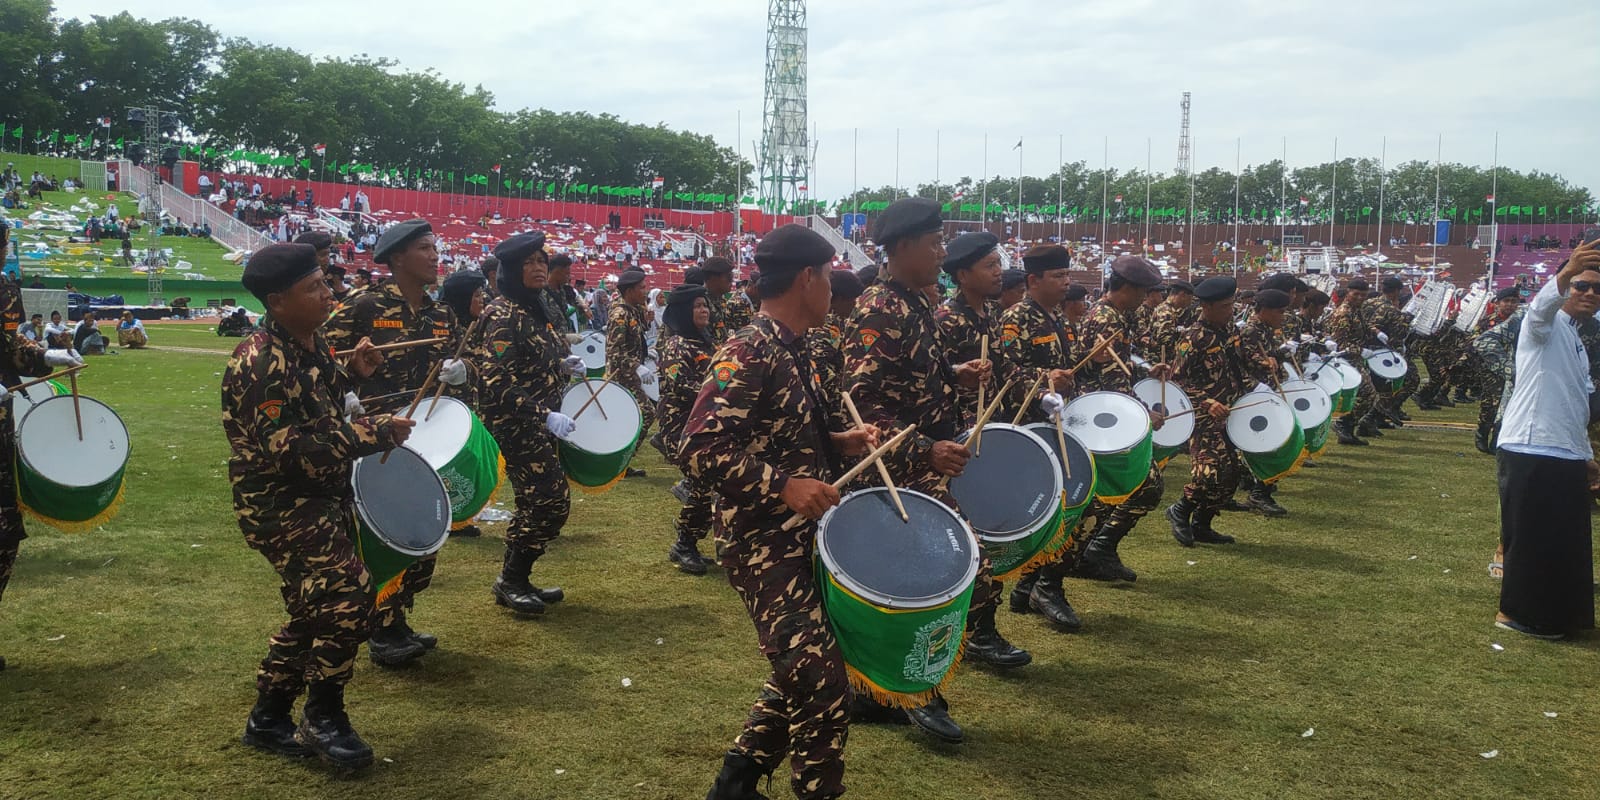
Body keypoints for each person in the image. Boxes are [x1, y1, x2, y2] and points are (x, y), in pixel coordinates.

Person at [683, 223, 879, 800]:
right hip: (760, 541)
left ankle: (736, 782)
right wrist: (784, 484)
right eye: (827, 278)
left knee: (805, 665)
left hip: (805, 539)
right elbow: (698, 448)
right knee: (821, 684)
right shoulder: (748, 349)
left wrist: (838, 442)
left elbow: (779, 431)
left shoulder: (798, 348)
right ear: (806, 278)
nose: (833, 289)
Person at [222, 243, 412, 769]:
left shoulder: (312, 342)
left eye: (326, 282)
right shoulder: (260, 361)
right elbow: (288, 448)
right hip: (279, 504)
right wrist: (370, 432)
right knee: (348, 595)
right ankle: (323, 714)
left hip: (323, 497)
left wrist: (356, 377)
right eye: (315, 288)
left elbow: (319, 404)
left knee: (315, 608)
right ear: (279, 300)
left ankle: (268, 717)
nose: (328, 293)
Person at [842, 198, 999, 743]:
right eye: (933, 243)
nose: (940, 253)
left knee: (903, 581)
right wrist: (925, 452)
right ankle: (920, 692)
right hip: (895, 473)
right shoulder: (879, 308)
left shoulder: (913, 303)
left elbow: (904, 380)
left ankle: (871, 692)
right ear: (902, 247)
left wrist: (953, 375)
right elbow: (860, 405)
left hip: (921, 467)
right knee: (953, 574)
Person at [322, 219, 467, 667]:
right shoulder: (362, 307)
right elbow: (318, 358)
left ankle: (397, 617)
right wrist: (343, 392)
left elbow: (464, 358)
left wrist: (463, 372)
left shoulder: (441, 313)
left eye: (435, 248)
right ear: (398, 258)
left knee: (423, 528)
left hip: (426, 429)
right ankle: (380, 629)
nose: (435, 256)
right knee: (387, 528)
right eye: (425, 248)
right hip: (375, 435)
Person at [471, 233, 582, 617]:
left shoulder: (535, 309)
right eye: (530, 263)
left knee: (538, 501)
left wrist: (562, 365)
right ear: (512, 271)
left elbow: (536, 358)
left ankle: (517, 577)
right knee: (551, 500)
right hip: (516, 425)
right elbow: (496, 381)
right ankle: (512, 578)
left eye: (542, 261)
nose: (539, 268)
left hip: (539, 425)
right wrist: (544, 415)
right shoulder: (503, 314)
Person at [1494, 241, 1600, 640]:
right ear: (1566, 287)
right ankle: (1517, 614)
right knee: (1533, 540)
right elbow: (1539, 309)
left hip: (1565, 451)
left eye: (1596, 289)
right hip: (1531, 447)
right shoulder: (1543, 326)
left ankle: (1560, 616)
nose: (1589, 293)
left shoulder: (1575, 340)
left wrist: (1586, 455)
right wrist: (1569, 268)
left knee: (1565, 540)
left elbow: (1575, 404)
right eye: (1580, 286)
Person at [0, 227, 81, 673]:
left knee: (4, 529)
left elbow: (11, 345)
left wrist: (46, 356)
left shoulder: (4, 289)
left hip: (1, 420)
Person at [1068, 255, 1171, 582]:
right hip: (1102, 418)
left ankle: (1093, 551)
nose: (1145, 298)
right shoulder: (1108, 319)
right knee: (1141, 485)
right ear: (1125, 287)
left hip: (1102, 413)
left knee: (1131, 488)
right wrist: (1146, 413)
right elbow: (1112, 383)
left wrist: (1143, 368)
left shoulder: (1108, 314)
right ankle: (1084, 554)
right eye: (1142, 291)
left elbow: (1115, 363)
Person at [998, 244, 1083, 629]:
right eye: (1058, 276)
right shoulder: (1017, 318)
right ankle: (1043, 585)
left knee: (1065, 507)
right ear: (1033, 280)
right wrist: (1045, 384)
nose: (1067, 282)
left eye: (1067, 275)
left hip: (1059, 424)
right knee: (1057, 506)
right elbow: (1009, 375)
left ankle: (1033, 584)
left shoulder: (1058, 319)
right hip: (1031, 427)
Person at [1166, 277, 1275, 547]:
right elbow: (1177, 380)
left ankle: (1203, 524)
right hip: (1205, 416)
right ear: (1207, 306)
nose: (1231, 310)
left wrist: (1265, 362)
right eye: (1226, 306)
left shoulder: (1230, 331)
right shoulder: (1193, 338)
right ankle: (1180, 510)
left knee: (1231, 475)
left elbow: (1243, 362)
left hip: (1233, 411)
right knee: (1209, 473)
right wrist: (1206, 401)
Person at [655, 284, 718, 575]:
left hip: (706, 427)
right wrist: (719, 397)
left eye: (705, 305)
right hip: (681, 430)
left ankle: (688, 543)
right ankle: (684, 544)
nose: (703, 310)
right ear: (682, 311)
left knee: (710, 486)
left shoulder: (708, 343)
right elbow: (679, 386)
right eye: (696, 306)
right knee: (705, 486)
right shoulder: (676, 345)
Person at [436, 269, 489, 538]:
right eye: (477, 295)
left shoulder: (474, 324)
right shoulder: (441, 323)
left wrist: (468, 370)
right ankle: (446, 516)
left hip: (468, 402)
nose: (482, 300)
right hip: (444, 406)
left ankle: (460, 515)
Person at [607, 269, 655, 478]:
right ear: (629, 290)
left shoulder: (632, 310)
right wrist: (637, 365)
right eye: (641, 288)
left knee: (631, 418)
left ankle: (621, 464)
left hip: (630, 376)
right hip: (621, 377)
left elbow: (634, 338)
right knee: (645, 413)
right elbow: (613, 351)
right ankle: (619, 463)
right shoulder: (620, 314)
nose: (645, 291)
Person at [701, 257, 739, 339]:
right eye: (729, 277)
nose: (732, 281)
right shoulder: (700, 304)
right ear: (713, 278)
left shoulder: (721, 300)